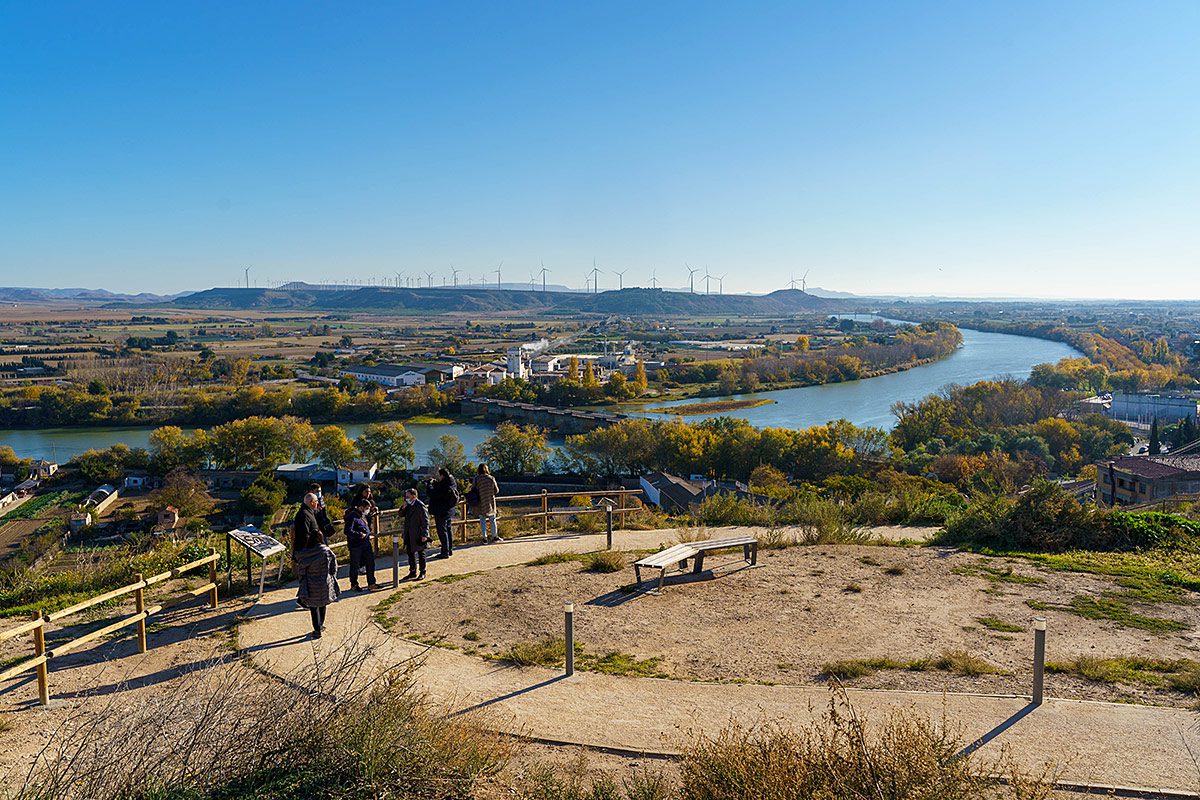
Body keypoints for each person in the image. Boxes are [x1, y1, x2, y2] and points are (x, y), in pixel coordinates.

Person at [294, 492, 339, 639]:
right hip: (324, 579)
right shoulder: (303, 515)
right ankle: (320, 625)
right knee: (323, 602)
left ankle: (317, 628)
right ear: (311, 502)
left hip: (311, 579)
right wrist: (332, 576)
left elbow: (302, 570)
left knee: (314, 605)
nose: (316, 504)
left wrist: (303, 579)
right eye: (315, 502)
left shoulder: (309, 512)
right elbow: (334, 565)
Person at [344, 498, 379, 591]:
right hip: (356, 545)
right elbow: (347, 531)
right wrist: (359, 534)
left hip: (366, 544)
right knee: (355, 566)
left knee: (370, 563)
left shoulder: (362, 515)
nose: (368, 510)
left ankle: (371, 583)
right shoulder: (352, 516)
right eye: (367, 508)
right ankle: (354, 585)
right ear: (361, 507)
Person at [426, 467, 459, 558]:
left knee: (442, 531)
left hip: (441, 511)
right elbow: (441, 489)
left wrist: (429, 484)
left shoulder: (444, 485)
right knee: (448, 530)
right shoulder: (451, 482)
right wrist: (436, 483)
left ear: (442, 475)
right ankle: (449, 549)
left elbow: (433, 494)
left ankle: (445, 552)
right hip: (449, 510)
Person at [402, 487, 431, 580]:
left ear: (413, 496)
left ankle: (422, 572)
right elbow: (400, 514)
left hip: (418, 533)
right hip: (409, 532)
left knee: (421, 553)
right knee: (410, 553)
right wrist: (403, 507)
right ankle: (412, 571)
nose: (406, 498)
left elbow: (425, 520)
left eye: (407, 496)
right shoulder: (408, 504)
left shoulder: (420, 505)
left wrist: (424, 534)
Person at [473, 463, 501, 543]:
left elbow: (472, 489)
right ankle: (495, 536)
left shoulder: (477, 479)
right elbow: (496, 490)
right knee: (492, 519)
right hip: (490, 501)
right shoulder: (491, 478)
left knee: (482, 520)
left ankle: (484, 538)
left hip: (480, 501)